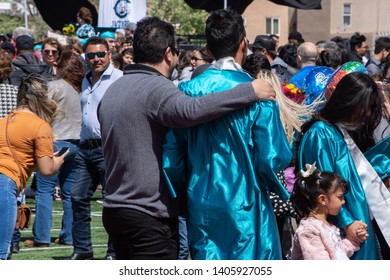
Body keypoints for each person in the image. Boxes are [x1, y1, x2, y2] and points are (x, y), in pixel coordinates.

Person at [98, 16, 277, 260]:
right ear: (169, 53)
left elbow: (175, 150)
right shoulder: (158, 88)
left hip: (115, 207)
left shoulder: (113, 89)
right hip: (151, 211)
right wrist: (250, 91)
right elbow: (190, 111)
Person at [162, 9, 292, 260]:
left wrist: (183, 188)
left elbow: (172, 155)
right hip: (246, 199)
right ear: (244, 43)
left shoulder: (187, 90)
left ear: (208, 49)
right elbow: (271, 157)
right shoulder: (259, 92)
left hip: (200, 196)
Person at [295, 72, 390, 259]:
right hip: (339, 230)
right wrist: (346, 222)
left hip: (357, 223)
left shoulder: (339, 131)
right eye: (365, 107)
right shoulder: (320, 134)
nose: (368, 113)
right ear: (349, 102)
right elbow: (321, 187)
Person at [0, 73, 68, 260]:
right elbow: (47, 170)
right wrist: (57, 162)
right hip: (6, 183)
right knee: (2, 252)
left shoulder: (4, 121)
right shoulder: (40, 125)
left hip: (5, 178)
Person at [23, 51, 85, 248]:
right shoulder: (81, 89)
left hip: (55, 142)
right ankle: (68, 236)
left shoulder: (55, 87)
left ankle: (41, 237)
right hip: (76, 144)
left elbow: (40, 112)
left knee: (44, 191)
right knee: (68, 194)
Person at [69, 36, 122, 260]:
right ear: (85, 57)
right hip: (85, 148)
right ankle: (83, 249)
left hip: (107, 148)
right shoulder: (85, 80)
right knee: (76, 195)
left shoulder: (119, 79)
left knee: (111, 201)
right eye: (91, 55)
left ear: (109, 55)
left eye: (101, 54)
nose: (96, 59)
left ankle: (114, 251)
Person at [290, 163, 366, 260]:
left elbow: (337, 251)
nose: (343, 201)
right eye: (340, 197)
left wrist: (353, 240)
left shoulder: (325, 224)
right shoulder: (309, 231)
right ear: (322, 199)